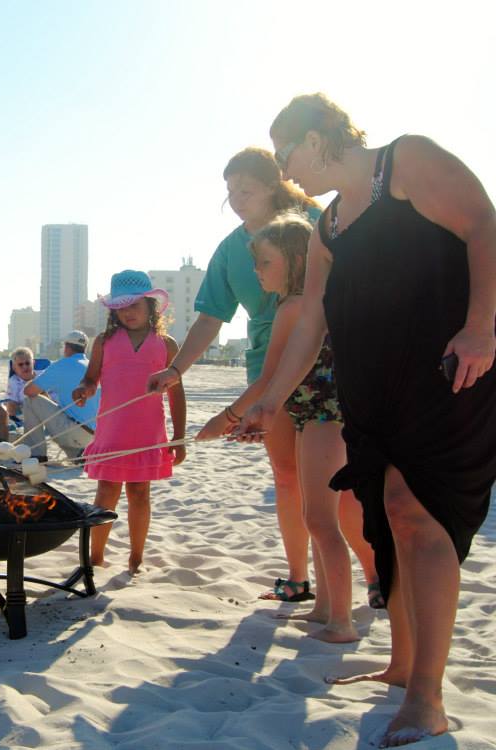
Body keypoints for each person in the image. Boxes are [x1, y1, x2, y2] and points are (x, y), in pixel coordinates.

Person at [236, 93, 496, 746]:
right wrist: (268, 402)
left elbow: (484, 227)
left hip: (443, 373)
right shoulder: (328, 227)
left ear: (321, 135)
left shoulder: (404, 162)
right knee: (389, 524)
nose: (287, 172)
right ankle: (403, 667)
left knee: (418, 513)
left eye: (288, 152)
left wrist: (480, 328)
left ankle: (428, 699)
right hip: (370, 394)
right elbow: (311, 323)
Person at [147, 147, 322, 602]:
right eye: (231, 191)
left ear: (275, 183)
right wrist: (176, 369)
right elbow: (210, 316)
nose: (238, 199)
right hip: (265, 362)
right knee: (287, 474)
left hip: (325, 354)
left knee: (333, 476)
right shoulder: (231, 248)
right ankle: (299, 579)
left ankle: (371, 577)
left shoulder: (313, 219)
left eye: (247, 189)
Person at [197, 214, 377, 641]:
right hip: (317, 415)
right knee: (315, 514)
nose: (257, 272)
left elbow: (267, 378)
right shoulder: (315, 302)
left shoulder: (295, 307)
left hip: (323, 417)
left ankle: (341, 622)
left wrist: (225, 419)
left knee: (320, 518)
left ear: (296, 260)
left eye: (264, 263)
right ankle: (323, 609)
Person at [72, 271, 186, 574]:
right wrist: (84, 390)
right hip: (112, 432)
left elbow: (177, 394)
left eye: (134, 305)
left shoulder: (166, 344)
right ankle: (96, 556)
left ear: (151, 305)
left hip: (148, 434)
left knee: (139, 493)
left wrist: (180, 436)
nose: (127, 312)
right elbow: (91, 379)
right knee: (106, 491)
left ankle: (136, 558)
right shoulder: (105, 342)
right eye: (121, 307)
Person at [22, 332, 100, 461]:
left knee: (30, 401)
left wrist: (35, 380)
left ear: (67, 347)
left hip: (72, 433)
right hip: (94, 438)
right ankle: (77, 453)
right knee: (70, 414)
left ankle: (37, 454)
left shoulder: (62, 364)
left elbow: (29, 391)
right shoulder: (93, 367)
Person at [0, 347, 34, 441]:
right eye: (20, 365)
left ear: (33, 363)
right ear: (14, 368)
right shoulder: (14, 381)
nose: (25, 367)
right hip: (23, 416)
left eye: (27, 363)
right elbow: (11, 408)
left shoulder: (42, 376)